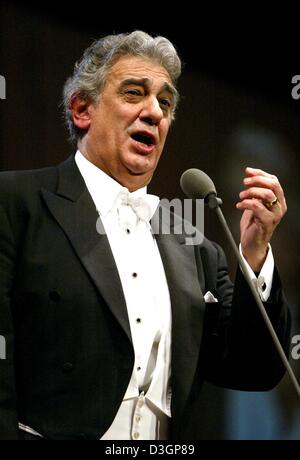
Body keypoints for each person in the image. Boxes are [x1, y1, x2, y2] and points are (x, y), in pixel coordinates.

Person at [0, 30, 290, 440]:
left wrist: (256, 251)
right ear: (82, 109)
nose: (155, 111)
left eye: (165, 102)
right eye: (134, 93)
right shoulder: (14, 203)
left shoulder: (195, 249)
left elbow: (253, 368)